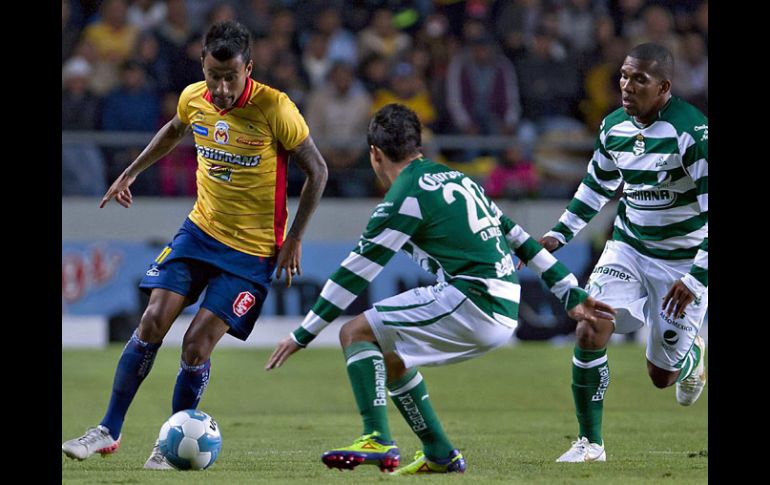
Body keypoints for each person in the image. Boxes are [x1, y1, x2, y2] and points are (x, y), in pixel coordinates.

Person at [265, 104, 616, 474]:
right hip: (500, 301)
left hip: (472, 301)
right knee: (390, 356)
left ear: (375, 154)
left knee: (355, 332)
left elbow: (352, 275)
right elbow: (520, 239)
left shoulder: (402, 199)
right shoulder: (458, 179)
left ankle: (377, 438)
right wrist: (569, 292)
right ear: (419, 146)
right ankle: (440, 454)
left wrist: (301, 335)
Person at [62, 20, 328, 469]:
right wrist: (132, 171)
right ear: (203, 68)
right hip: (199, 232)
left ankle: (169, 445)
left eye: (231, 77)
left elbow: (318, 171)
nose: (221, 89)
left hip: (251, 253)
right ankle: (108, 430)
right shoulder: (193, 98)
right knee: (151, 321)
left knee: (195, 346)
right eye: (213, 77)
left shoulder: (275, 108)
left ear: (249, 68)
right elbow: (173, 129)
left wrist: (294, 237)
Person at [536, 43, 708, 462]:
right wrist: (559, 235)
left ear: (664, 87)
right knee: (590, 324)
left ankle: (691, 357)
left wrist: (696, 276)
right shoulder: (614, 126)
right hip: (628, 248)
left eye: (639, 80)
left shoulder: (692, 134)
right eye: (624, 77)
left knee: (660, 377)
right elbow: (596, 186)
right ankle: (590, 443)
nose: (627, 87)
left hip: (683, 262)